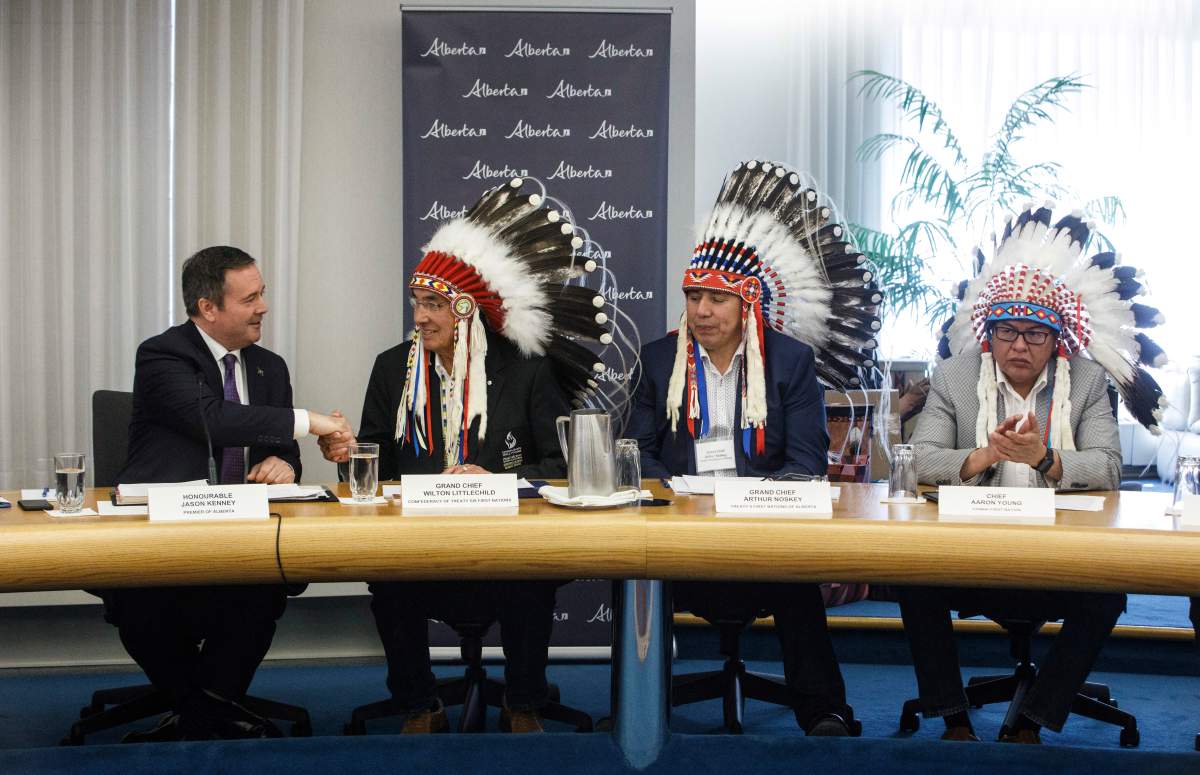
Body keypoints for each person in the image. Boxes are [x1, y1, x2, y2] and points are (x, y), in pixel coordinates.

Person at [321, 177, 628, 734]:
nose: (420, 317)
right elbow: (373, 463)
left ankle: (524, 702)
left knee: (528, 582)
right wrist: (346, 455)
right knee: (388, 585)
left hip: (506, 544)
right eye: (417, 302)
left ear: (466, 308)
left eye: (434, 304)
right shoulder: (392, 368)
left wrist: (495, 479)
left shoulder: (527, 370)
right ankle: (419, 704)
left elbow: (561, 467)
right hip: (415, 545)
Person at [627, 159, 883, 736]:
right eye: (693, 297)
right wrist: (673, 496)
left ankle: (823, 709)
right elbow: (636, 452)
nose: (701, 311)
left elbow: (806, 464)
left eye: (716, 299)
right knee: (633, 575)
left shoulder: (791, 363)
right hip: (680, 534)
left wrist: (754, 503)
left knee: (794, 580)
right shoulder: (659, 360)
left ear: (747, 304)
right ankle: (633, 705)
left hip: (762, 533)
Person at [902, 205, 1169, 744]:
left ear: (1057, 340)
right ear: (988, 334)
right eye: (1006, 332)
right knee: (914, 579)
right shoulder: (954, 378)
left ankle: (1034, 718)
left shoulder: (1089, 383)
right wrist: (983, 456)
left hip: (1061, 555)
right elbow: (919, 456)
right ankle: (954, 716)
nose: (1018, 346)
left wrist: (1043, 459)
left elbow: (1109, 468)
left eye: (1034, 334)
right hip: (973, 552)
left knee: (1106, 595)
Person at [109, 245, 350, 741]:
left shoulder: (269, 367)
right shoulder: (163, 355)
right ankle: (212, 713)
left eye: (262, 294)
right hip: (162, 540)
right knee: (141, 605)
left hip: (246, 538)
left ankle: (196, 713)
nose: (263, 306)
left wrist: (284, 460)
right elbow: (214, 420)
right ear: (208, 308)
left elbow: (284, 448)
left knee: (262, 588)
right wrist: (312, 421)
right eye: (250, 298)